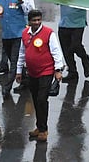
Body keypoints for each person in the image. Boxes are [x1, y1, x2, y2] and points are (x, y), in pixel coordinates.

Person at [16, 9, 64, 143]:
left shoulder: (49, 33)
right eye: (34, 20)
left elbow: (56, 52)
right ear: (29, 21)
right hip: (32, 72)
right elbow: (21, 53)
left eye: (38, 20)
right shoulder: (25, 34)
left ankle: (43, 130)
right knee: (36, 100)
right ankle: (39, 126)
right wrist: (19, 71)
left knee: (42, 99)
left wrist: (58, 69)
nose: (37, 22)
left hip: (46, 71)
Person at [54, 0, 89, 84]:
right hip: (64, 23)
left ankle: (85, 58)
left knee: (75, 45)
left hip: (77, 23)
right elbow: (57, 2)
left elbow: (88, 1)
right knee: (66, 50)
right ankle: (72, 72)